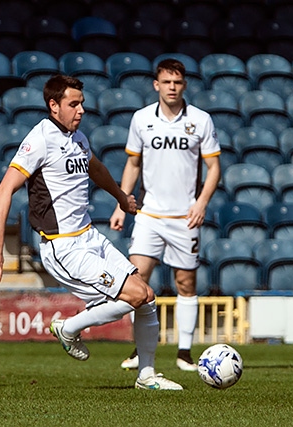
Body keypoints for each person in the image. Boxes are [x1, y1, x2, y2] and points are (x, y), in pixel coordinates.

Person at [0, 75, 182, 390]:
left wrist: (120, 196)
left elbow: (97, 169)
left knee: (147, 298)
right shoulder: (40, 139)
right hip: (63, 247)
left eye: (82, 104)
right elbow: (4, 189)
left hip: (90, 237)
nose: (81, 111)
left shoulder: (77, 137)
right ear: (53, 105)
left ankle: (147, 376)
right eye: (73, 104)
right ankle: (69, 327)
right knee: (135, 295)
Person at [109, 59, 222, 371]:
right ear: (156, 85)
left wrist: (201, 203)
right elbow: (133, 164)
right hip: (149, 214)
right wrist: (122, 203)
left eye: (178, 82)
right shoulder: (141, 119)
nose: (172, 87)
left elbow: (214, 168)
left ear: (184, 85)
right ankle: (139, 347)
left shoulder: (200, 120)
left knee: (185, 282)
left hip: (184, 217)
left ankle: (184, 352)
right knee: (137, 278)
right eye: (166, 82)